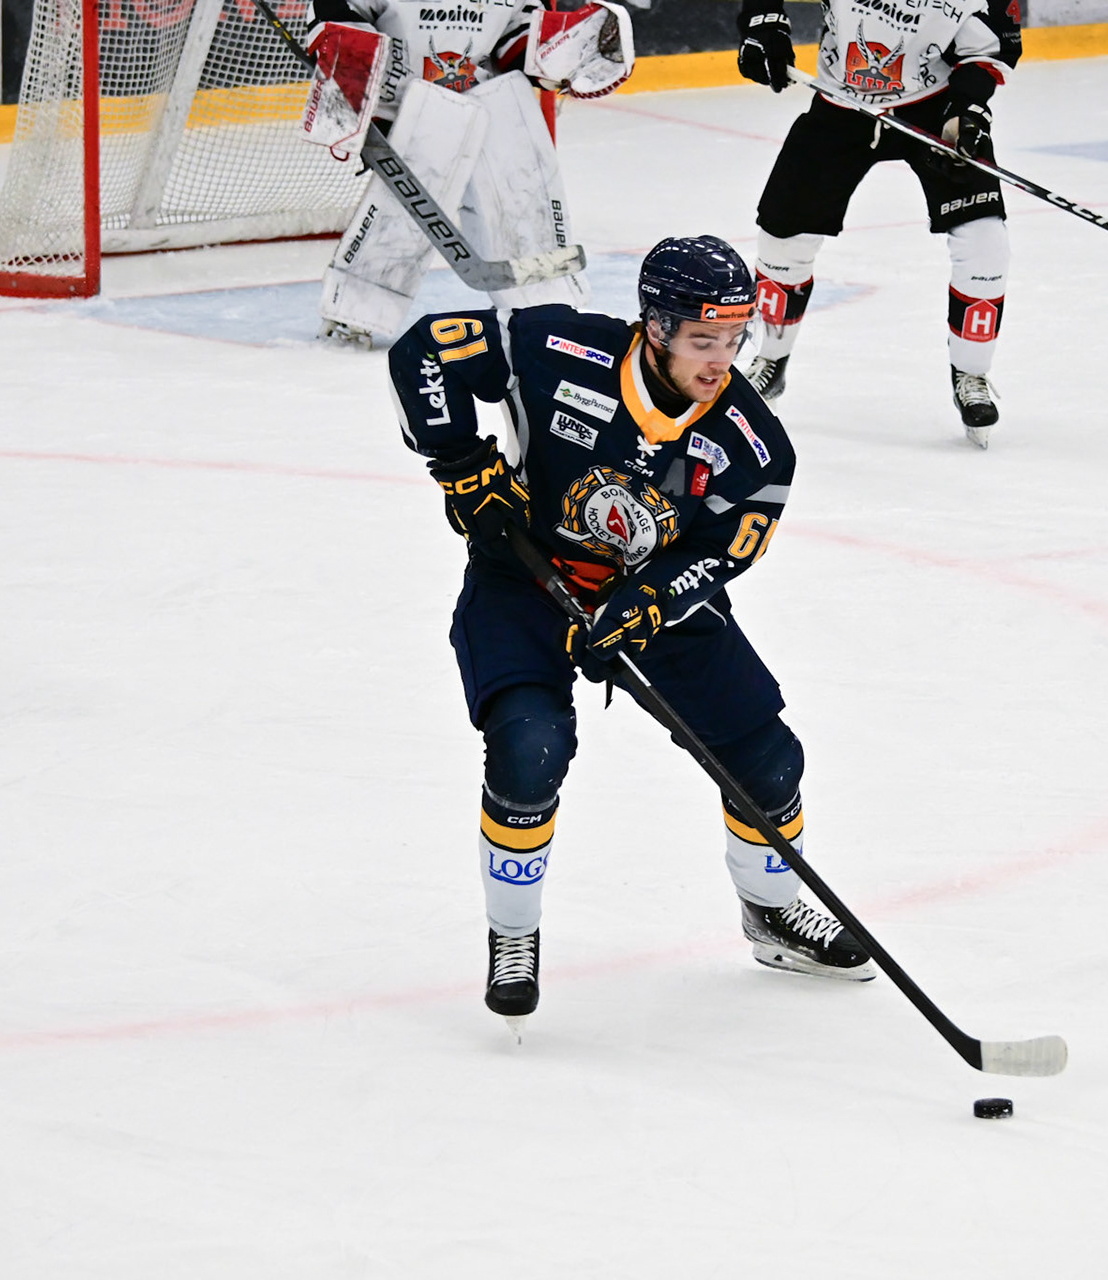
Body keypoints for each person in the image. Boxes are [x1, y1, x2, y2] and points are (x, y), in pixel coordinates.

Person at [386, 235, 875, 1029]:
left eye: (735, 338)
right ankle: (514, 936)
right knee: (529, 749)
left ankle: (772, 913)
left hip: (648, 601)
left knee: (769, 761)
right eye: (703, 340)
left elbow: (724, 549)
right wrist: (461, 464)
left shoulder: (754, 444)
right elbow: (424, 352)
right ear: (656, 327)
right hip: (524, 576)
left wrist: (648, 599)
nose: (722, 360)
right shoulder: (554, 347)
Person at [734, 0, 1021, 447]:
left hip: (934, 105)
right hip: (840, 103)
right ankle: (770, 358)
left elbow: (987, 51)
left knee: (985, 242)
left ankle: (971, 374)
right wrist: (763, 23)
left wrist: (967, 110)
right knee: (783, 238)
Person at [305, 0, 635, 346]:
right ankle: (355, 312)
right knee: (403, 214)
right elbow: (338, 9)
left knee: (521, 186)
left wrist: (564, 53)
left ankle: (542, 308)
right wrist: (347, 67)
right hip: (405, 106)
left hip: (488, 100)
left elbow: (516, 38)